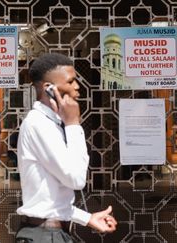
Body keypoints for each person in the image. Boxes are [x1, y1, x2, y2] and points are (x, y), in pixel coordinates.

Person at [15, 53, 117, 242]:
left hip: (52, 233)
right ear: (49, 88)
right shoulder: (38, 124)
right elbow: (76, 179)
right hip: (44, 236)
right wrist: (73, 124)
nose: (77, 87)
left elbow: (50, 198)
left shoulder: (51, 123)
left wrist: (87, 218)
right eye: (70, 82)